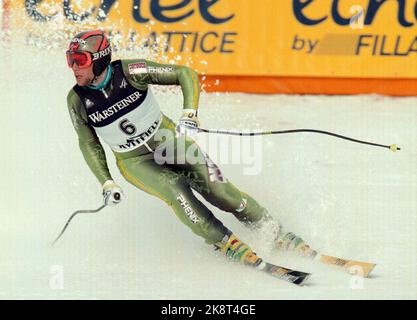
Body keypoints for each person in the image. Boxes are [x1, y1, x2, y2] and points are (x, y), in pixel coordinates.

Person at [66, 30, 314, 270]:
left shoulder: (132, 71)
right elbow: (88, 142)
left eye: (80, 60)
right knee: (177, 192)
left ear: (99, 61)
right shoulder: (76, 99)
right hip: (135, 162)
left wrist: (189, 114)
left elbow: (184, 74)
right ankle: (223, 241)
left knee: (220, 191)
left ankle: (273, 230)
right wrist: (106, 182)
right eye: (70, 60)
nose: (74, 67)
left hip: (167, 140)